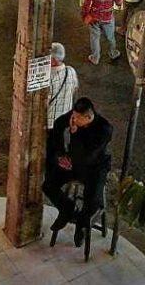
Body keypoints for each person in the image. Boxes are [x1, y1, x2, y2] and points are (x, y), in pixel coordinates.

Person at [43, 98, 113, 245]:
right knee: (48, 185)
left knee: (93, 200)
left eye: (77, 118)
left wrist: (75, 133)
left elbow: (89, 156)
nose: (73, 119)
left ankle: (82, 224)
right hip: (74, 163)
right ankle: (66, 208)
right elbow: (58, 125)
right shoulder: (73, 118)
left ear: (88, 117)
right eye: (73, 116)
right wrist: (62, 153)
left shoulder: (104, 129)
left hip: (94, 167)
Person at [81, 0, 122, 64]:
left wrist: (85, 15)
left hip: (94, 18)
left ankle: (95, 58)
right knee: (110, 37)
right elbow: (119, 3)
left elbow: (86, 4)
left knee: (95, 38)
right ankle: (113, 53)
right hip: (108, 18)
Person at [47, 43, 78, 129]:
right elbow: (75, 89)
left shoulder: (49, 79)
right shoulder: (71, 71)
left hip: (51, 121)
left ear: (53, 60)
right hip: (66, 116)